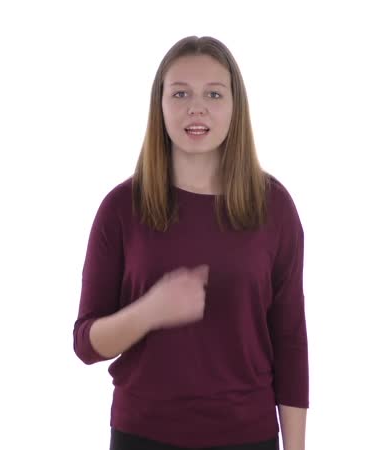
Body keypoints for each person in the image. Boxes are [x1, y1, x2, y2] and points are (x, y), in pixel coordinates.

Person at [73, 36, 309, 450]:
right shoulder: (121, 208)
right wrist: (149, 311)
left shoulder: (274, 207)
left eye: (213, 94)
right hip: (142, 435)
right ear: (160, 105)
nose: (196, 108)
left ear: (235, 107)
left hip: (248, 436)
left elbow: (290, 341)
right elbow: (86, 343)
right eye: (180, 93)